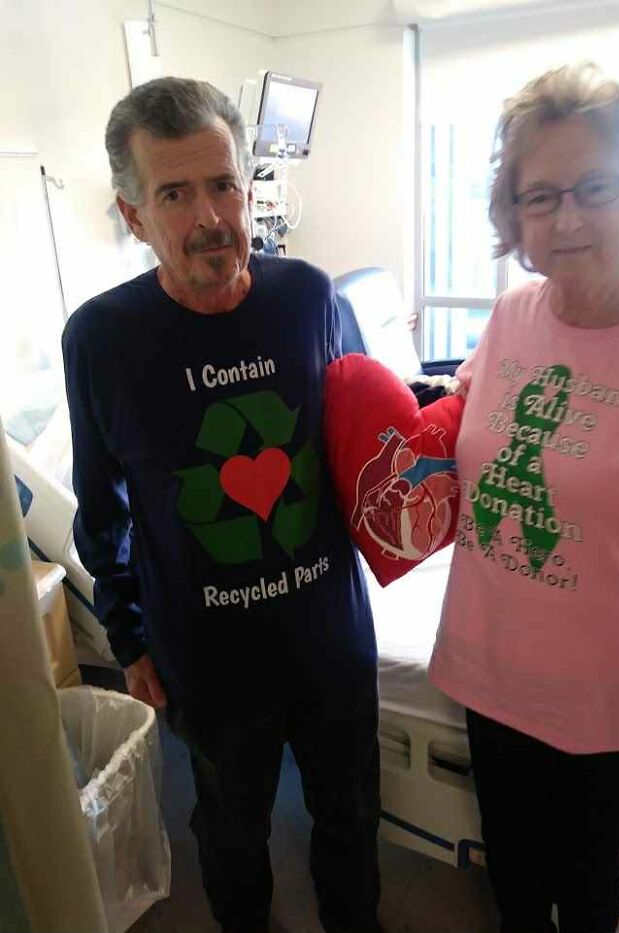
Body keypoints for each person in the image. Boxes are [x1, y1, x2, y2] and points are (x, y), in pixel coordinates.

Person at [62, 76, 381, 933]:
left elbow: (370, 440)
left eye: (223, 184)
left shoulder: (310, 297)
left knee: (350, 819)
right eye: (175, 193)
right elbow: (101, 506)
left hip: (331, 639)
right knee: (232, 837)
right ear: (135, 217)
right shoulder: (102, 339)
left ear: (247, 186)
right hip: (209, 658)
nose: (210, 215)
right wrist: (127, 637)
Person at [428, 63, 619, 933]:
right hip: (488, 667)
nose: (568, 218)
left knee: (585, 892)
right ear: (513, 218)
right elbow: (469, 412)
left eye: (593, 187)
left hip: (609, 704)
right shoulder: (511, 314)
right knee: (512, 877)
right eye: (539, 197)